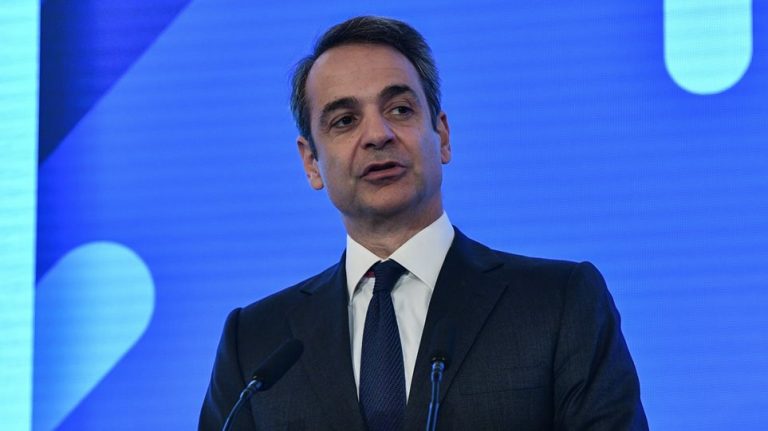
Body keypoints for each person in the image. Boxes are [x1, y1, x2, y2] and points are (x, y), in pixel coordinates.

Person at [200, 16, 648, 431]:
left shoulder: (557, 303)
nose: (378, 135)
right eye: (345, 120)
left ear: (443, 135)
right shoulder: (255, 344)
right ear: (311, 162)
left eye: (400, 109)